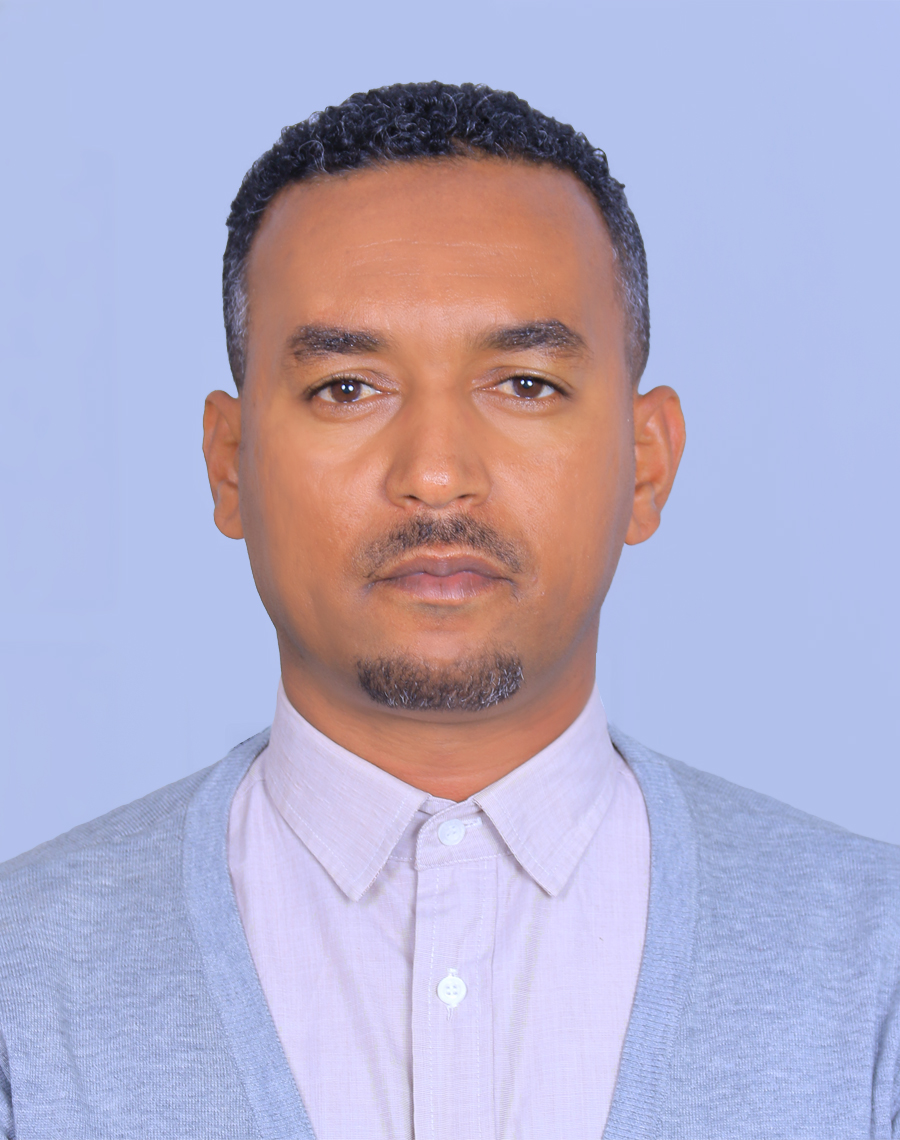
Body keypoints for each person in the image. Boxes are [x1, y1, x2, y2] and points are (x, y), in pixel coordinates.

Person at [0, 81, 897, 1140]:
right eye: (347, 387)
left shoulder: (872, 970)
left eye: (524, 384)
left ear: (647, 465)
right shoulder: (25, 985)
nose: (434, 475)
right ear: (229, 464)